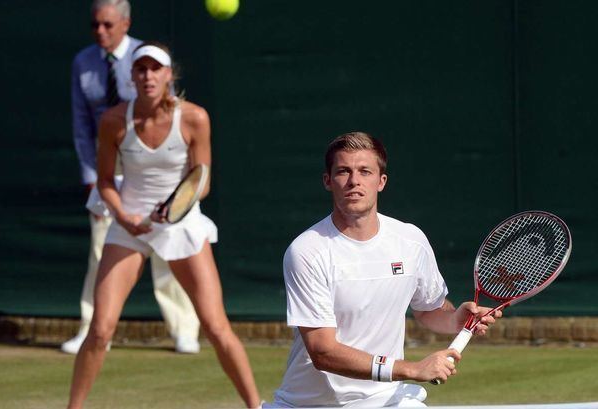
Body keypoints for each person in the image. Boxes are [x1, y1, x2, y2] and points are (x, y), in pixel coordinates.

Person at [66, 42, 261, 409]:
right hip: (129, 224)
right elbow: (105, 180)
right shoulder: (112, 121)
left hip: (180, 224)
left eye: (156, 69)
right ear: (132, 76)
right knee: (101, 329)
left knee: (217, 327)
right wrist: (124, 216)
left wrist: (174, 208)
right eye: (141, 69)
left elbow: (201, 180)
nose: (148, 75)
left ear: (169, 75)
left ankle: (256, 406)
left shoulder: (195, 118)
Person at [266, 132, 501, 408]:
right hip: (310, 404)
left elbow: (428, 310)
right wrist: (411, 369)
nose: (354, 181)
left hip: (387, 400)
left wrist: (454, 319)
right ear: (328, 181)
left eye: (365, 171)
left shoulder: (411, 241)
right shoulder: (307, 251)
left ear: (381, 182)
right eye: (344, 171)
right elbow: (323, 352)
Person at [65, 0, 200, 355]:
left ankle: (183, 329)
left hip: (153, 166)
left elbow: (168, 116)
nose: (100, 32)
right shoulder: (83, 62)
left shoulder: (148, 60)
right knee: (100, 251)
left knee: (169, 246)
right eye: (95, 25)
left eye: (108, 25)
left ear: (125, 23)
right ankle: (93, 330)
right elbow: (82, 125)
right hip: (108, 167)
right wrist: (93, 177)